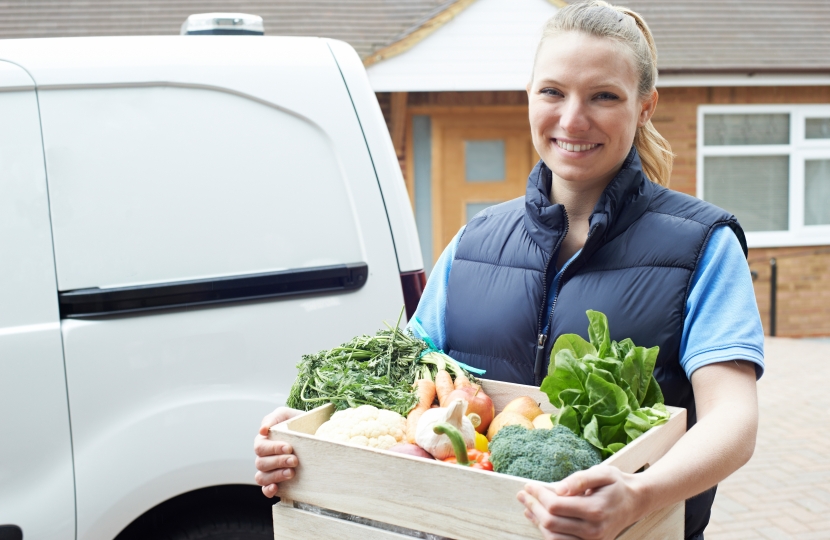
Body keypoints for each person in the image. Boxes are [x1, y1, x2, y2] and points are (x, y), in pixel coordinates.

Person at [254, 2, 763, 539]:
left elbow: (733, 422)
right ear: (528, 95)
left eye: (604, 96)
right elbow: (409, 383)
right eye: (552, 92)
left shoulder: (703, 245)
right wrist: (311, 430)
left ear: (645, 107)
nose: (572, 119)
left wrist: (640, 493)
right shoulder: (474, 240)